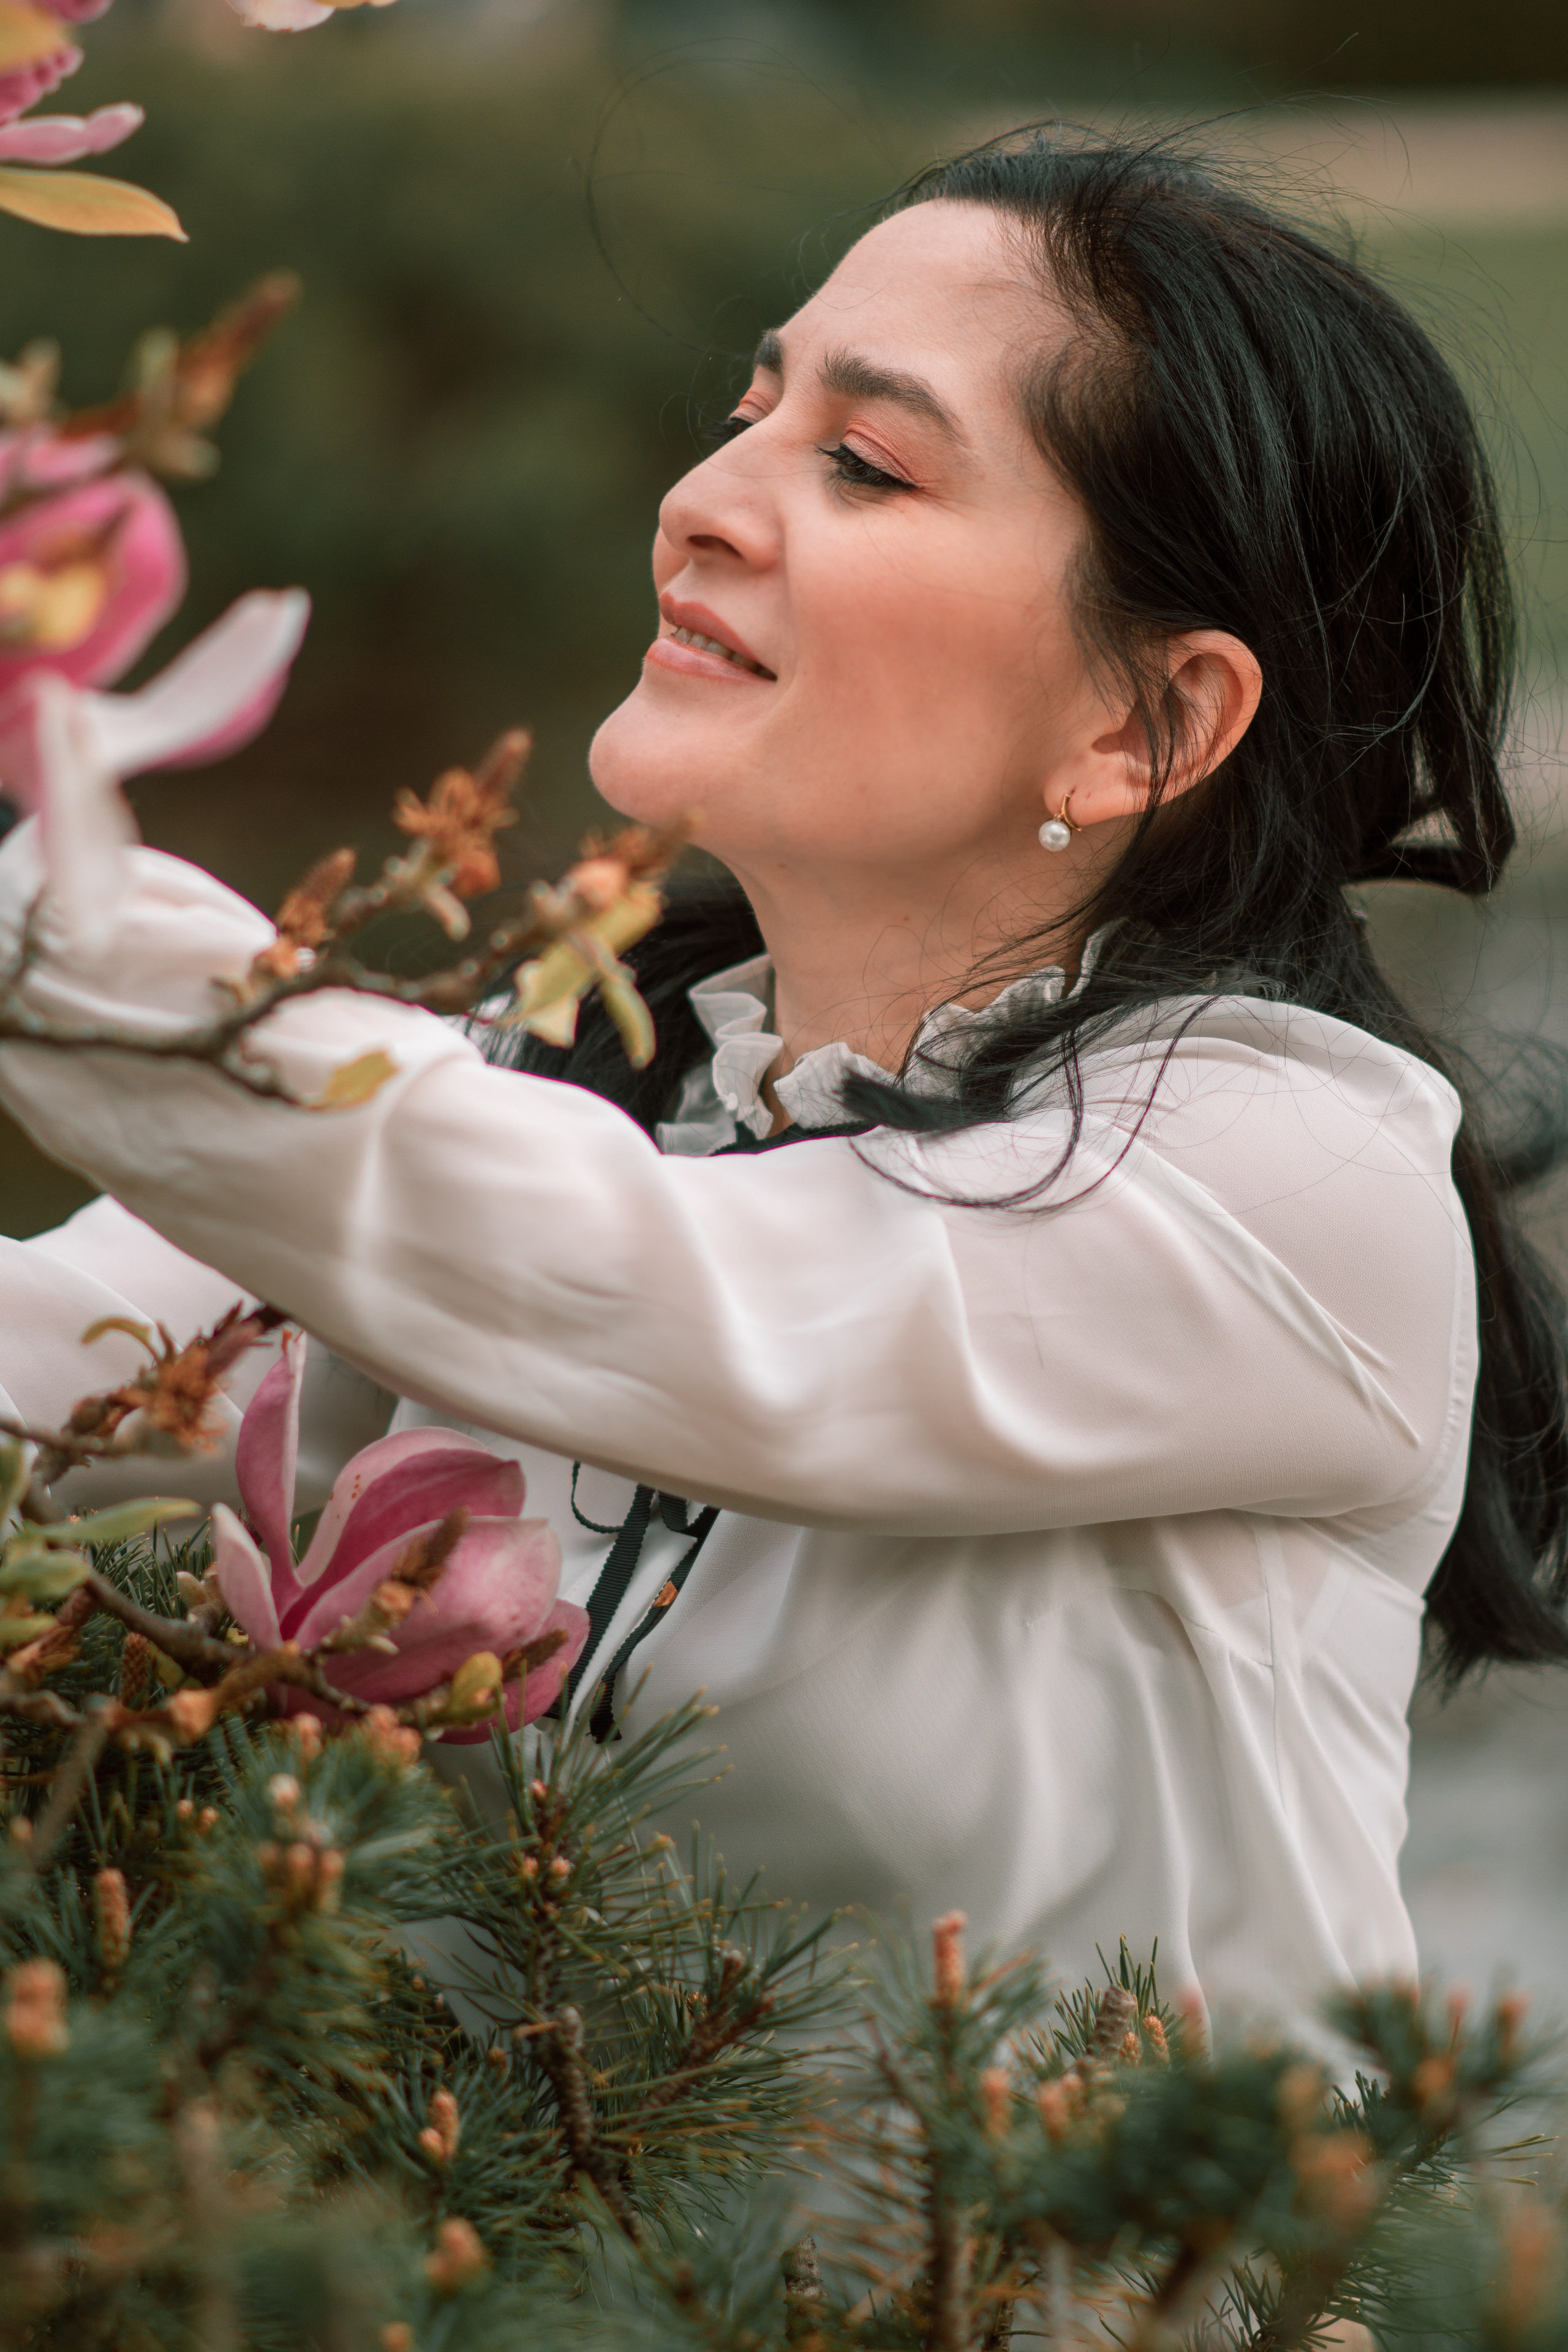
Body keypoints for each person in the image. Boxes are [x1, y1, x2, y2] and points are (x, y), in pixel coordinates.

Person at [0, 129, 1563, 2030]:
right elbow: (49, 1360)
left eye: (866, 463)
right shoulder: (552, 1104)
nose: (703, 504)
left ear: (1147, 722)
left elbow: (638, 1283)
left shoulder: (1289, 1175)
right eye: (751, 412)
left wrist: (41, 892)